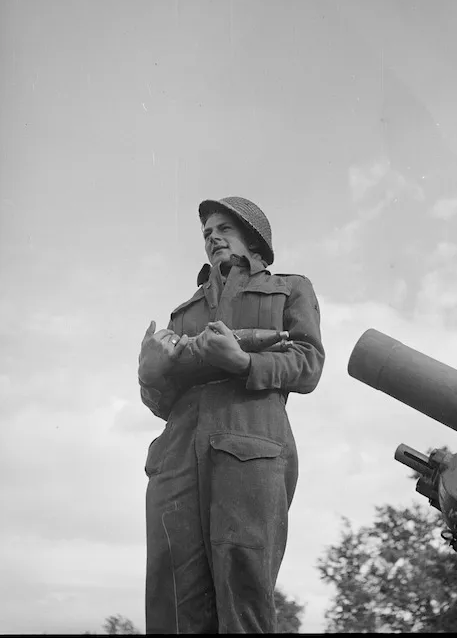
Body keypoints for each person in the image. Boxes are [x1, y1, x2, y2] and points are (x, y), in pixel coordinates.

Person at [137, 196, 325, 634]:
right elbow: (164, 404)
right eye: (207, 233)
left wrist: (241, 362)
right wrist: (150, 376)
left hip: (250, 443)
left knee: (243, 586)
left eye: (224, 228)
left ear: (253, 236)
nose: (212, 237)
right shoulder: (184, 314)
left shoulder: (289, 289)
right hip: (179, 453)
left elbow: (309, 364)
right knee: (171, 594)